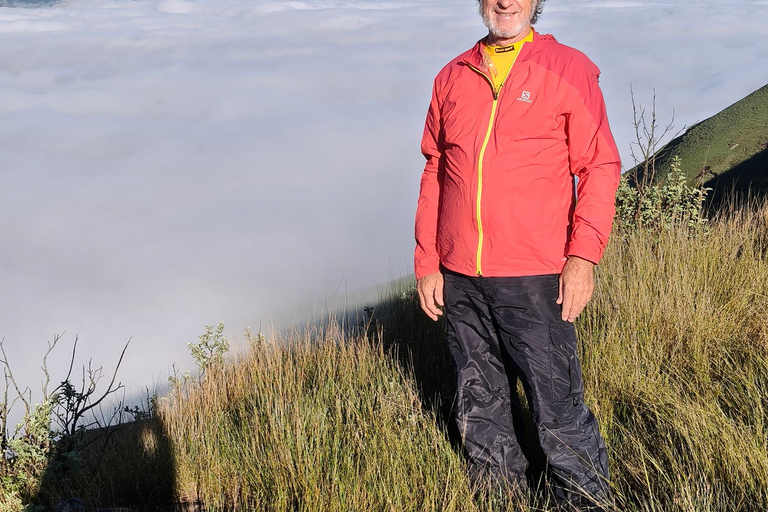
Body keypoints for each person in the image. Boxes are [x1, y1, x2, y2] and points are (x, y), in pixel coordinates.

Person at [413, 0, 621, 509]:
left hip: (535, 274)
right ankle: (501, 498)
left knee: (557, 405)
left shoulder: (569, 67)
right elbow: (436, 170)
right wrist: (428, 261)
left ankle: (584, 502)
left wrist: (583, 258)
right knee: (478, 400)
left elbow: (600, 165)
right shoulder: (452, 75)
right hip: (461, 276)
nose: (505, 1)